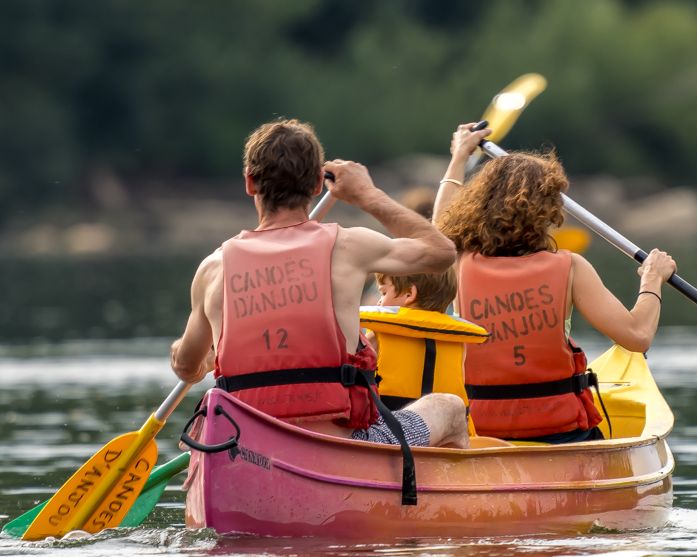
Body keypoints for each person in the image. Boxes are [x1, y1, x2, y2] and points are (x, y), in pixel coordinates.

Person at [169, 119, 471, 450]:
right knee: (450, 408)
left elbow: (186, 367)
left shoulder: (214, 268)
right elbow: (442, 253)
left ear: (250, 183)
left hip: (241, 446)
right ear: (317, 184)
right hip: (337, 446)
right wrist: (366, 195)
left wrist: (195, 357)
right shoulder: (349, 247)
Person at [432, 123, 675, 444]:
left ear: (480, 203)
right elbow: (637, 336)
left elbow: (439, 227)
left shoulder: (459, 261)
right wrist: (653, 279)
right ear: (549, 210)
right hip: (561, 434)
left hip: (483, 433)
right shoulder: (571, 267)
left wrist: (460, 155)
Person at [364, 265, 490, 415]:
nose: (379, 302)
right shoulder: (456, 342)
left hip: (391, 428)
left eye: (384, 293)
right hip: (442, 431)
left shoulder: (377, 336)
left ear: (409, 294)